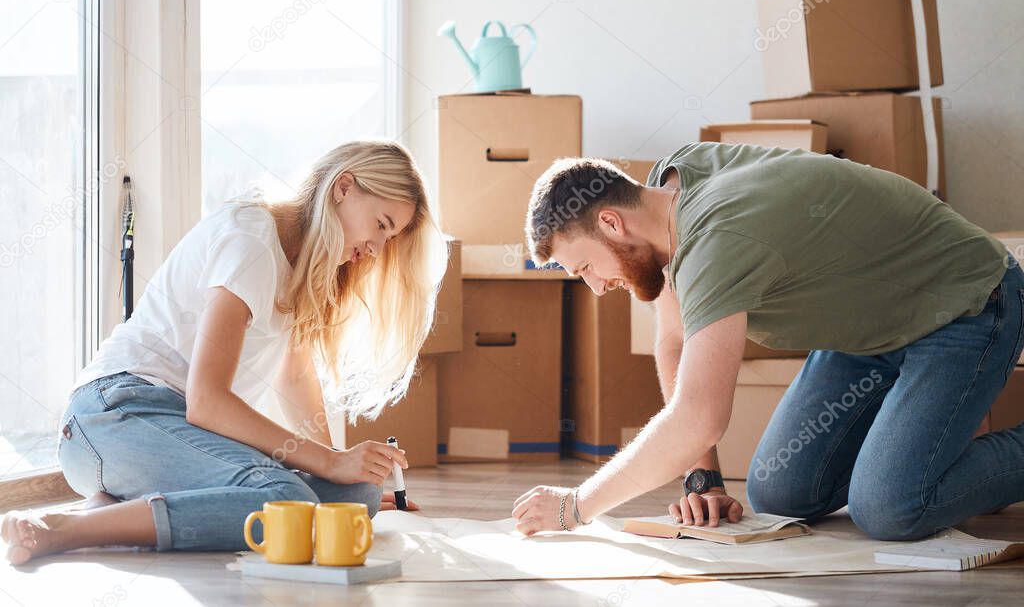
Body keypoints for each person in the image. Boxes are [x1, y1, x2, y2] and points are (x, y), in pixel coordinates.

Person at [512, 143, 1024, 541]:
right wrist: (701, 477)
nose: (597, 287)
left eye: (585, 267)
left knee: (892, 508)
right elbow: (673, 337)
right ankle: (944, 466)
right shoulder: (668, 190)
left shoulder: (717, 240)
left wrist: (576, 506)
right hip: (867, 329)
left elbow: (699, 417)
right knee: (782, 492)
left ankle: (940, 472)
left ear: (610, 222)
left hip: (966, 302)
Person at [2, 141, 448, 565]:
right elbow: (207, 402)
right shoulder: (252, 241)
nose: (376, 249)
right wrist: (329, 461)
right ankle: (65, 529)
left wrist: (338, 470)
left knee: (354, 500)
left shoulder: (302, 263)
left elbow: (293, 378)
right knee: (284, 502)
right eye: (381, 225)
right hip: (112, 416)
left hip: (167, 432)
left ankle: (116, 503)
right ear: (344, 188)